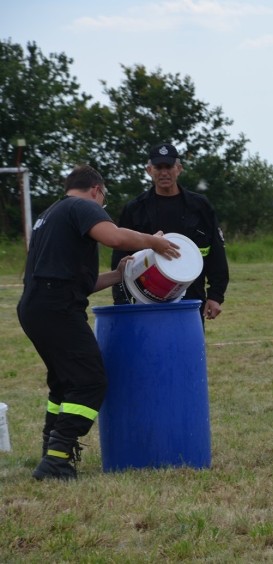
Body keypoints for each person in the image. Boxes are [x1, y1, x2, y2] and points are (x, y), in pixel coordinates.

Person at [18, 165, 180, 481]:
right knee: (90, 382)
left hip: (37, 305)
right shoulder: (81, 206)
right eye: (103, 199)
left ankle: (51, 450)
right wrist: (153, 242)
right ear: (97, 190)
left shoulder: (51, 214)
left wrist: (119, 275)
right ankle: (56, 461)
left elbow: (80, 282)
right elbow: (114, 237)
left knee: (65, 381)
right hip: (58, 308)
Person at [112, 143, 229, 322]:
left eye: (169, 167)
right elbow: (120, 256)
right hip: (146, 298)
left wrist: (215, 295)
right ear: (149, 170)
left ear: (179, 169)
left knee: (187, 349)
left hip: (191, 298)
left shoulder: (200, 206)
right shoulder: (135, 209)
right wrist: (122, 301)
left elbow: (216, 253)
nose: (164, 172)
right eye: (159, 167)